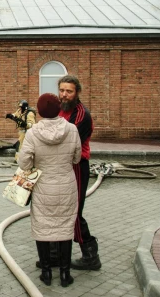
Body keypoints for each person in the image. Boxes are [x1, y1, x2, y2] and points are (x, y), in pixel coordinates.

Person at [18, 93, 81, 288]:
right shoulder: (71, 129)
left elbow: (24, 163)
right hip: (67, 185)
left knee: (42, 227)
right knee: (65, 227)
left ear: (40, 111)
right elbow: (77, 157)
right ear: (58, 107)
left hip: (43, 187)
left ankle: (46, 273)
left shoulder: (33, 133)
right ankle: (65, 274)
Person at [58, 75, 101, 271]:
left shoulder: (82, 115)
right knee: (57, 210)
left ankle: (90, 256)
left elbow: (69, 143)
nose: (64, 95)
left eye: (69, 91)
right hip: (60, 166)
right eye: (62, 90)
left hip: (77, 166)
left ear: (77, 93)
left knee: (74, 213)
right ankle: (55, 255)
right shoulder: (59, 110)